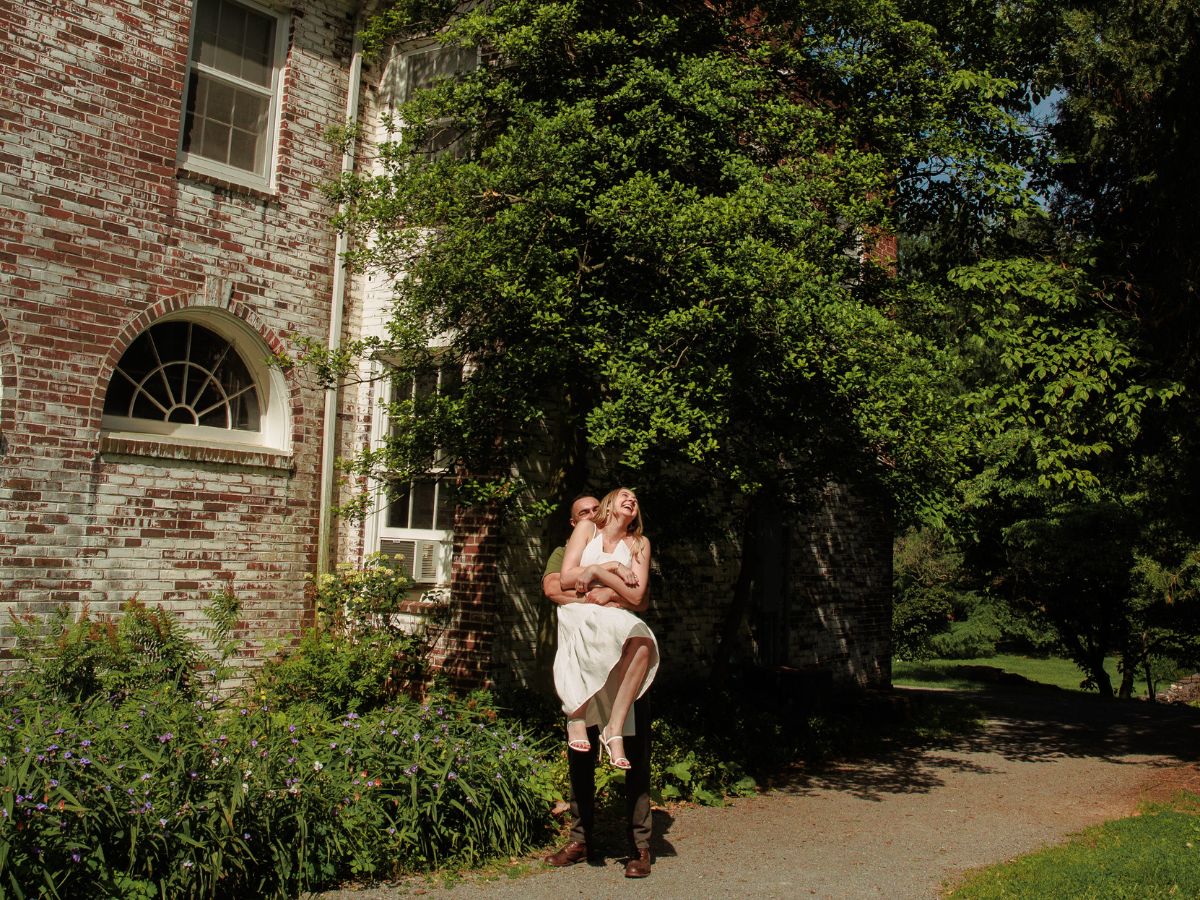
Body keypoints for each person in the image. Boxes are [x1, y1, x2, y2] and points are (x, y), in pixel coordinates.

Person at [541, 492, 656, 877]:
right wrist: (606, 578)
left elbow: (639, 598)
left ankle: (639, 847)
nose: (590, 514)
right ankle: (580, 838)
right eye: (583, 512)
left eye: (594, 507)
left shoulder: (638, 544)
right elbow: (557, 588)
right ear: (576, 521)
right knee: (581, 753)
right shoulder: (570, 545)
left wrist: (606, 589)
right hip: (586, 657)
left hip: (622, 656)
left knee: (636, 752)